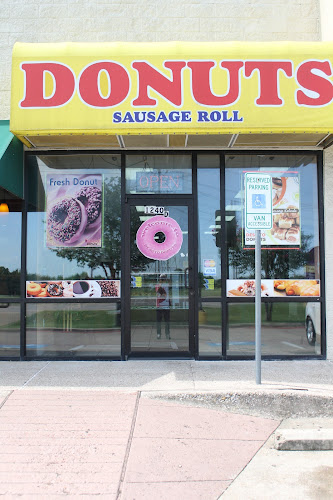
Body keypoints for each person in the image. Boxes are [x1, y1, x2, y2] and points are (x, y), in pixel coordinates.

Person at [156, 274, 171, 339]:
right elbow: (158, 292)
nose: (163, 280)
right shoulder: (158, 286)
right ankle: (159, 334)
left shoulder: (167, 285)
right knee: (159, 321)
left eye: (164, 278)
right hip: (159, 305)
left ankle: (167, 334)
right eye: (162, 278)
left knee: (167, 321)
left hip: (166, 304)